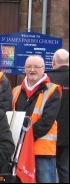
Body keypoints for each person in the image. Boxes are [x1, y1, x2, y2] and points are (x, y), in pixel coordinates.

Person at [12, 55, 61, 183]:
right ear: (24, 68)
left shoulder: (52, 90)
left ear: (43, 68)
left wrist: (25, 138)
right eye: (29, 66)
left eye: (36, 67)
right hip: (18, 150)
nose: (32, 70)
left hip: (42, 151)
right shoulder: (16, 91)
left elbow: (47, 120)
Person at [46, 49, 69, 183]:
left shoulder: (47, 79)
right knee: (65, 169)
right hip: (67, 134)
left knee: (46, 171)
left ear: (53, 62)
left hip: (47, 133)